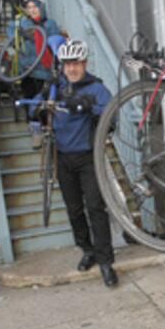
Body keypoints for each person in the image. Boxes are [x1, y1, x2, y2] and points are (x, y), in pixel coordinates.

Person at [31, 39, 118, 287]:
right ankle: (87, 250)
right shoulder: (55, 86)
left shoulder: (96, 88)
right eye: (67, 64)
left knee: (96, 208)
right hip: (62, 156)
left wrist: (88, 105)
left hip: (89, 157)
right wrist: (39, 104)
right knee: (74, 209)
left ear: (84, 63)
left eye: (76, 63)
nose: (71, 69)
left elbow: (111, 116)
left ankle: (105, 261)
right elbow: (34, 109)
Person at [7, 0, 62, 148]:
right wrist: (22, 33)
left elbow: (56, 43)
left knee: (47, 103)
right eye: (29, 7)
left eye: (35, 6)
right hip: (28, 71)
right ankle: (36, 131)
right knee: (31, 101)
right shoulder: (20, 24)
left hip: (46, 71)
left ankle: (50, 130)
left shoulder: (50, 24)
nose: (32, 10)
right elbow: (11, 39)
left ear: (41, 7)